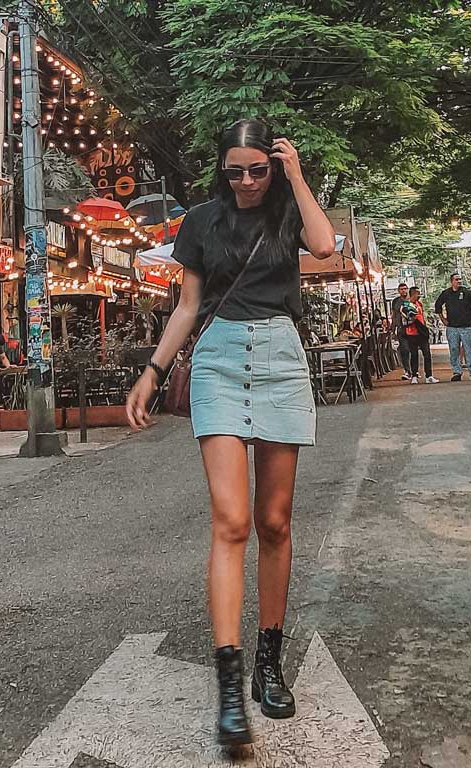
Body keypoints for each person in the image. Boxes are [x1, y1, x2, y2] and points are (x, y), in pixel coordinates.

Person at [124, 119, 335, 747]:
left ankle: (269, 664)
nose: (245, 182)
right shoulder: (200, 221)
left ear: (272, 167)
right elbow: (187, 306)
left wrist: (295, 176)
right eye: (234, 170)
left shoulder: (288, 210)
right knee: (231, 521)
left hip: (279, 360)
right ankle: (228, 684)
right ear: (222, 168)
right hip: (217, 360)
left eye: (257, 170)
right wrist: (153, 371)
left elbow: (324, 246)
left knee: (275, 522)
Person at [434, 273, 471, 381]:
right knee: (454, 349)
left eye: (460, 279)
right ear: (452, 281)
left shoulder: (467, 292)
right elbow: (438, 305)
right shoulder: (446, 293)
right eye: (456, 279)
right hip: (452, 327)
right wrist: (443, 319)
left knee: (469, 350)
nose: (459, 281)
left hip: (467, 327)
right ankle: (457, 372)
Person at [401, 287, 437, 383]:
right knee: (414, 354)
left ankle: (429, 375)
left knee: (427, 354)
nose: (419, 296)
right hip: (411, 333)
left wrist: (424, 326)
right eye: (418, 294)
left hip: (421, 333)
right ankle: (414, 375)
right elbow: (406, 319)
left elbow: (422, 317)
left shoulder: (419, 304)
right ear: (413, 294)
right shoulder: (406, 305)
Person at [390, 283, 414, 380]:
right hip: (401, 329)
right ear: (398, 291)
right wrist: (392, 328)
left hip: (412, 329)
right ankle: (407, 370)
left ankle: (414, 370)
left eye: (405, 289)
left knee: (412, 349)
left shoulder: (411, 300)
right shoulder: (396, 301)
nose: (403, 291)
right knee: (404, 349)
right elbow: (394, 315)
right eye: (401, 289)